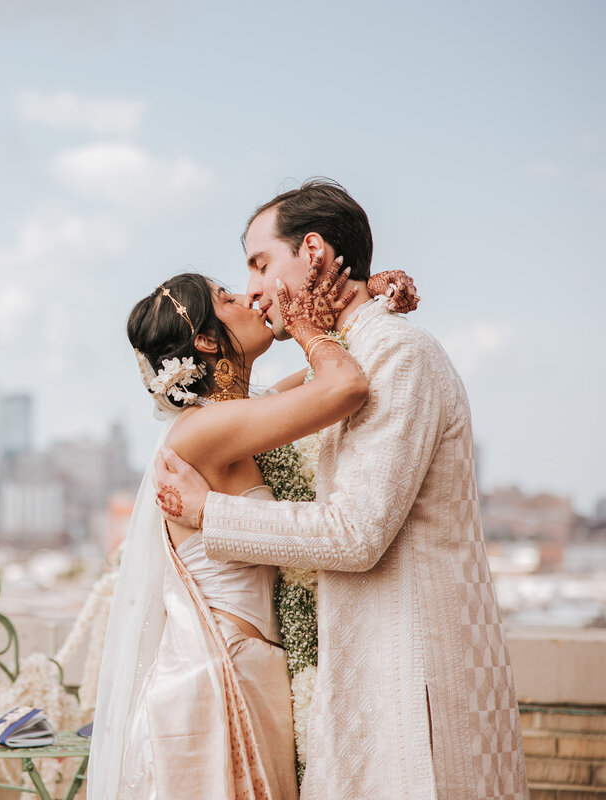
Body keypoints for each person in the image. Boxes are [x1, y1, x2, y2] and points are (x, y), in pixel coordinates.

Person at [153, 179, 528, 799]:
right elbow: (275, 402)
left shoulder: (399, 353)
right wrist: (358, 299)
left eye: (260, 263)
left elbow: (356, 533)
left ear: (315, 252)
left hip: (412, 672)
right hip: (359, 675)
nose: (250, 287)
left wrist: (208, 512)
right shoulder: (351, 354)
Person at [89, 254, 412, 800]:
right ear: (209, 342)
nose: (249, 297)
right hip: (211, 678)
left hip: (246, 669)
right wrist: (311, 326)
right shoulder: (206, 429)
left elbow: (325, 367)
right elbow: (343, 388)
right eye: (228, 300)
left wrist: (361, 298)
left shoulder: (234, 416)